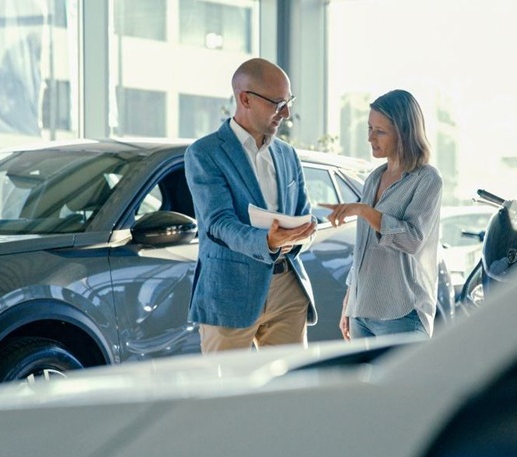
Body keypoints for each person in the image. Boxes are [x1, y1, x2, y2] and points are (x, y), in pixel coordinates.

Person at [185, 57, 317, 353]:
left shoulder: (288, 155)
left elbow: (303, 214)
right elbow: (218, 223)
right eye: (278, 103)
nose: (287, 113)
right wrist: (267, 241)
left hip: (287, 287)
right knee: (228, 394)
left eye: (289, 101)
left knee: (288, 392)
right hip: (230, 291)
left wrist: (305, 232)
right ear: (245, 98)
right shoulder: (205, 153)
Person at [321, 89, 443, 339]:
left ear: (404, 133)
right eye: (369, 128)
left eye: (380, 131)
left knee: (401, 381)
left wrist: (365, 211)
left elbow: (411, 240)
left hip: (401, 312)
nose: (370, 138)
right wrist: (350, 299)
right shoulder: (373, 179)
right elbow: (362, 249)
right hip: (361, 313)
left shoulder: (427, 179)